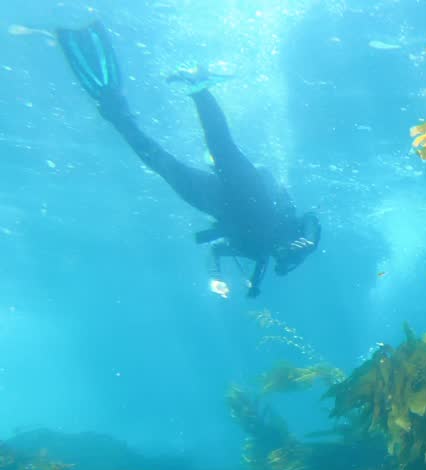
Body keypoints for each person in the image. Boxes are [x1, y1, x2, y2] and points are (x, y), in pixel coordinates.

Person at [56, 20, 320, 298]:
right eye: (287, 255)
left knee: (159, 162)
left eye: (281, 259)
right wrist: (309, 243)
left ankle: (113, 108)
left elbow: (216, 251)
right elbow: (314, 221)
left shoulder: (255, 252)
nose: (282, 253)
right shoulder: (296, 229)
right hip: (251, 192)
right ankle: (198, 88)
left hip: (217, 201)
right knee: (220, 148)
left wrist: (215, 279)